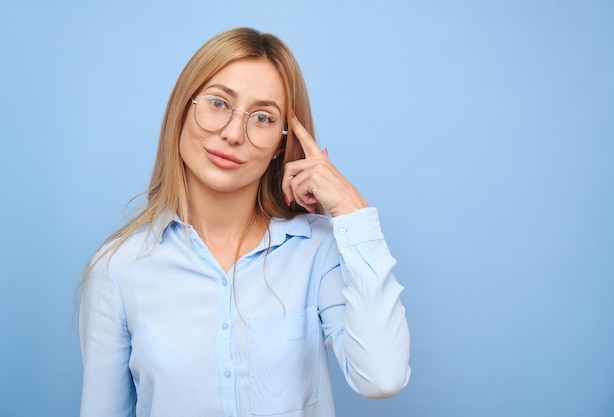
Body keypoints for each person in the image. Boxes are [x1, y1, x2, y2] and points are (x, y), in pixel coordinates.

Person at [79, 27, 410, 417]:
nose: (234, 134)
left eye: (263, 117)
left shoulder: (318, 250)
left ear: (282, 143)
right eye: (218, 103)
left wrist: (352, 211)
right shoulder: (118, 267)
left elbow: (382, 378)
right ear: (182, 109)